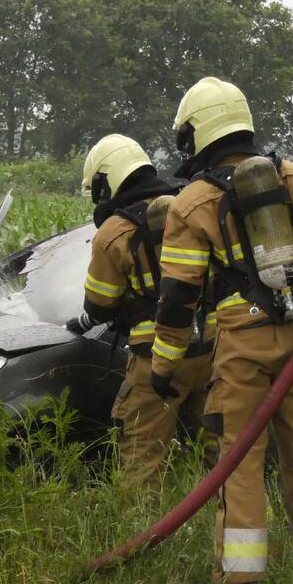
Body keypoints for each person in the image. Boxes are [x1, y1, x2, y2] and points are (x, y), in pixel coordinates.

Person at [150, 77, 293, 584]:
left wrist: (163, 364)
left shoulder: (191, 203)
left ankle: (241, 581)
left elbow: (179, 297)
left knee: (240, 460)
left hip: (242, 344)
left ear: (197, 133)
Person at [66, 134, 215, 487]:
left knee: (142, 458)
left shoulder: (114, 232)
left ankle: (143, 520)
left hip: (156, 359)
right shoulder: (189, 205)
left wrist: (80, 323)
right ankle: (229, 512)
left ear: (107, 181)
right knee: (220, 448)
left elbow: (101, 304)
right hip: (210, 349)